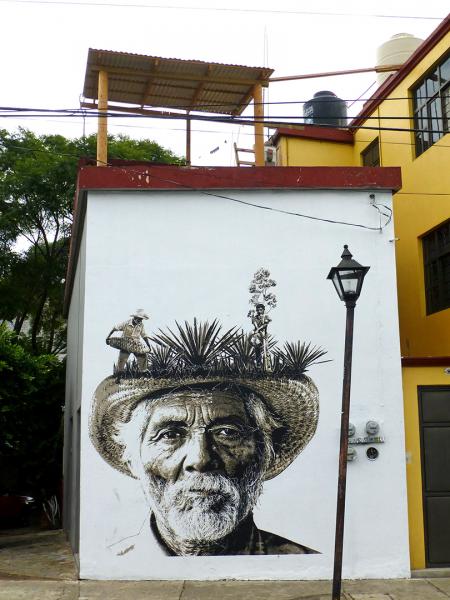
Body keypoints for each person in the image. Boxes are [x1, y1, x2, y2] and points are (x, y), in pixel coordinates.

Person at [90, 374, 320, 556]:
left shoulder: (300, 560)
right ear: (132, 459)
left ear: (266, 454)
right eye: (170, 435)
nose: (200, 460)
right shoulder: (111, 563)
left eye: (227, 433)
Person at [106, 309, 151, 376]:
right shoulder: (126, 323)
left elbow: (144, 335)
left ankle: (144, 374)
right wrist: (108, 337)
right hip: (125, 344)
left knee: (142, 356)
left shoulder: (141, 325)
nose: (140, 321)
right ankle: (119, 377)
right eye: (139, 319)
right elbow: (115, 328)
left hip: (136, 345)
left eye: (141, 319)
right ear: (135, 318)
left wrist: (148, 345)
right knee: (121, 361)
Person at [250, 303, 271, 368]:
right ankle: (259, 365)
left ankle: (268, 367)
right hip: (257, 335)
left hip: (263, 335)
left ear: (263, 310)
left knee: (266, 350)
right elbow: (254, 323)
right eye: (258, 310)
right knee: (257, 350)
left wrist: (258, 329)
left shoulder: (266, 316)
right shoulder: (256, 317)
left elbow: (265, 325)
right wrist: (252, 316)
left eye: (261, 310)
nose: (259, 311)